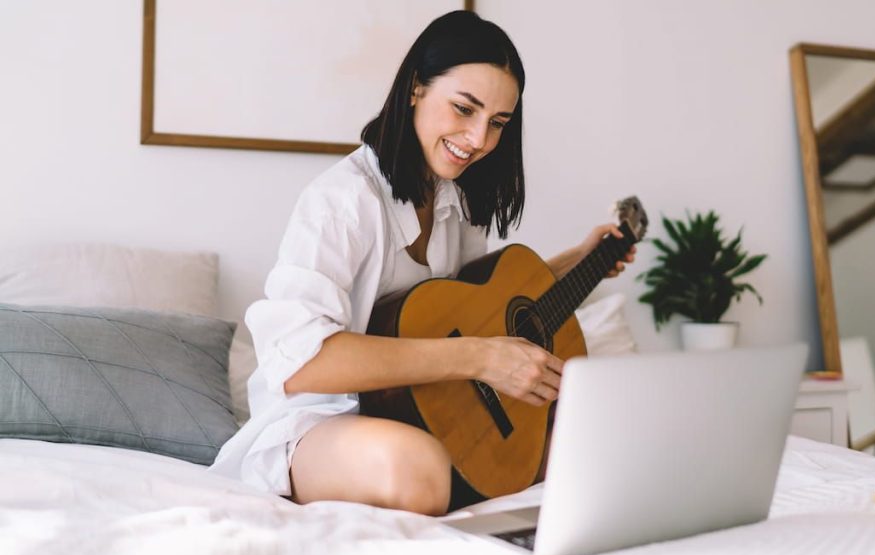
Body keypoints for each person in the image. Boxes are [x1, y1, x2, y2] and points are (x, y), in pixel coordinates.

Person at [210, 10, 635, 516]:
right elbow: (299, 362)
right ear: (415, 88)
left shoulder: (460, 206)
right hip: (318, 424)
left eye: (497, 123)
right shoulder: (341, 202)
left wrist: (578, 261)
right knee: (419, 470)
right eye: (464, 109)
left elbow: (475, 311)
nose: (478, 139)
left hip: (425, 411)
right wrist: (479, 358)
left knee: (598, 439)